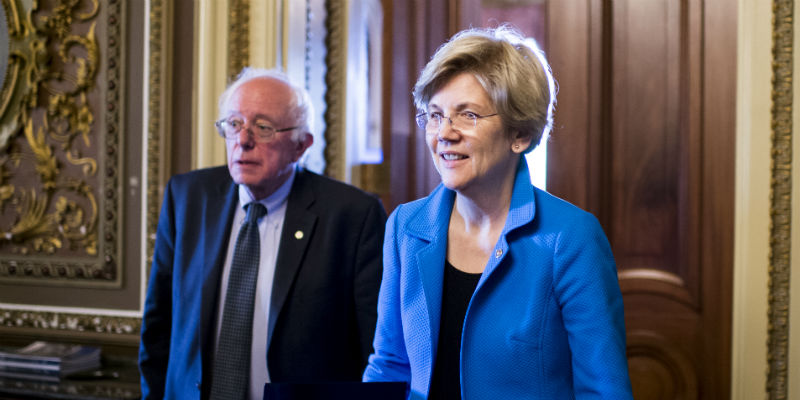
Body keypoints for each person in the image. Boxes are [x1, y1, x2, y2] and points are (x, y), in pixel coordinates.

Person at [363, 26, 633, 399]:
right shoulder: (405, 227)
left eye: (468, 115)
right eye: (435, 115)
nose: (445, 133)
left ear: (519, 134)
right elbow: (389, 367)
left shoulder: (571, 238)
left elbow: (604, 391)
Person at [139, 68, 387, 400]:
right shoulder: (187, 198)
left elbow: (374, 348)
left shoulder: (352, 216)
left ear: (301, 146)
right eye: (234, 124)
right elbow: (159, 325)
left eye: (263, 127)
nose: (243, 140)